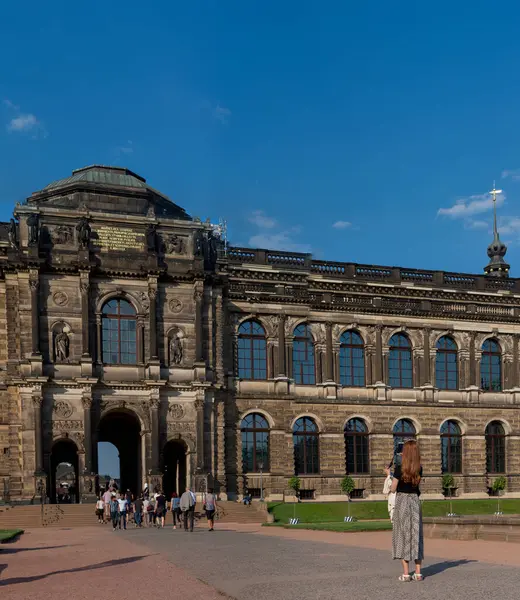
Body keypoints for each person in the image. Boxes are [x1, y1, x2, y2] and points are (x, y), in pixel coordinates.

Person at [390, 439, 424, 582]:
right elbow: (416, 485)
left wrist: (390, 476)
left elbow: (393, 488)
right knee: (416, 534)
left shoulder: (399, 469)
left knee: (402, 535)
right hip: (414, 501)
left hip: (403, 500)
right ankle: (418, 573)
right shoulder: (419, 468)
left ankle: (405, 573)